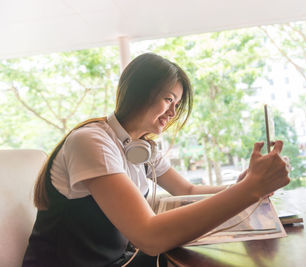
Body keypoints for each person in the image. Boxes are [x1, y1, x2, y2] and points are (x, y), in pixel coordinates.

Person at [22, 53, 290, 267]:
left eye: (177, 103)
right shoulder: (92, 142)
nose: (173, 111)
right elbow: (149, 236)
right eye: (168, 99)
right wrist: (248, 191)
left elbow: (188, 190)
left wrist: (246, 184)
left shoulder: (143, 148)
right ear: (138, 92)